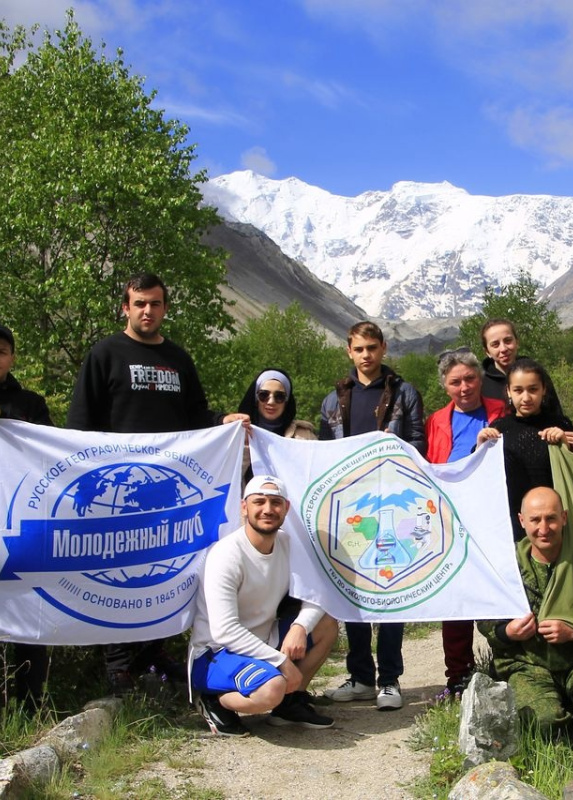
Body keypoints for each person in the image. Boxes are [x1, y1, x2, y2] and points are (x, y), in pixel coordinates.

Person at [66, 273, 250, 693]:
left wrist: (223, 423)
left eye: (155, 303)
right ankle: (117, 662)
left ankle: (153, 650)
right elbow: (80, 422)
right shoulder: (104, 354)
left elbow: (196, 417)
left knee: (164, 570)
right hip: (117, 489)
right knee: (116, 568)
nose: (147, 311)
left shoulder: (178, 359)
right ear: (125, 308)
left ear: (165, 308)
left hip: (166, 491)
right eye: (139, 303)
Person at [320, 321, 425, 711]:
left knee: (391, 588)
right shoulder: (333, 399)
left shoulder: (403, 393)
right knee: (355, 588)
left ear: (383, 349)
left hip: (393, 502)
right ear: (349, 351)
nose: (366, 355)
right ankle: (362, 677)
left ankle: (391, 680)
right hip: (351, 507)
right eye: (359, 348)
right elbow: (321, 454)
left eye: (372, 348)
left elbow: (418, 443)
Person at [190, 474, 338, 735]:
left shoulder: (287, 544)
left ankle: (289, 704)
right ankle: (213, 700)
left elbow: (317, 594)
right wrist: (281, 661)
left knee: (325, 624)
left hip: (262, 640)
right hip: (216, 652)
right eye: (259, 502)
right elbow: (225, 631)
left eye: (275, 502)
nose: (268, 509)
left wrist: (300, 628)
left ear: (286, 509)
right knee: (271, 690)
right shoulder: (226, 555)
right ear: (244, 507)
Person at [477, 487, 573, 738]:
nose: (543, 528)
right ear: (521, 520)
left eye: (551, 518)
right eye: (535, 520)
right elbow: (484, 618)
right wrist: (507, 632)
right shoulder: (506, 566)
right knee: (544, 721)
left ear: (564, 518)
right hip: (526, 665)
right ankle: (560, 727)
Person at [426, 349, 507, 694]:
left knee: (499, 593)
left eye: (470, 379)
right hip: (453, 516)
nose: (464, 387)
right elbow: (431, 464)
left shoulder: (501, 411)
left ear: (480, 379)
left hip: (494, 514)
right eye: (455, 381)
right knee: (455, 597)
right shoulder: (436, 421)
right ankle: (457, 675)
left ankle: (505, 665)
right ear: (445, 385)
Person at [0, 324, 53, 711]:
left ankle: (31, 708)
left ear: (13, 357)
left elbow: (52, 453)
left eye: (2, 350)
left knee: (29, 618)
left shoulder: (31, 404)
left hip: (23, 525)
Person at [477, 359, 573, 541]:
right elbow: (482, 479)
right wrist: (480, 446)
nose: (526, 398)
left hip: (554, 522)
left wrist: (564, 443)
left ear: (544, 390)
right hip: (514, 523)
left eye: (533, 389)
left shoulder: (561, 424)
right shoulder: (499, 429)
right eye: (518, 390)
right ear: (508, 391)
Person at [237, 367, 316, 483]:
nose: (271, 402)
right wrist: (245, 446)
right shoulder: (237, 433)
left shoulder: (304, 436)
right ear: (255, 398)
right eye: (264, 395)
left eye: (279, 396)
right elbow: (225, 480)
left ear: (287, 400)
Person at [480, 318, 520, 401]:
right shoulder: (480, 385)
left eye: (508, 341)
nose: (503, 349)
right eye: (495, 344)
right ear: (487, 351)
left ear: (517, 342)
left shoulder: (536, 374)